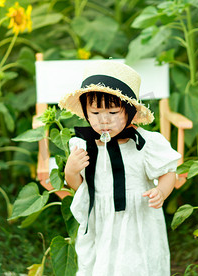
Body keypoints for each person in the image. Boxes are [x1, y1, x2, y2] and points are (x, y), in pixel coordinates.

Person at [59, 60, 181, 275]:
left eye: (113, 113)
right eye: (95, 114)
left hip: (138, 217)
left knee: (137, 263)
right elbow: (80, 187)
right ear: (87, 113)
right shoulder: (82, 145)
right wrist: (71, 171)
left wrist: (161, 191)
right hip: (101, 218)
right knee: (101, 263)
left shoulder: (146, 143)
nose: (104, 120)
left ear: (130, 111)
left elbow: (168, 171)